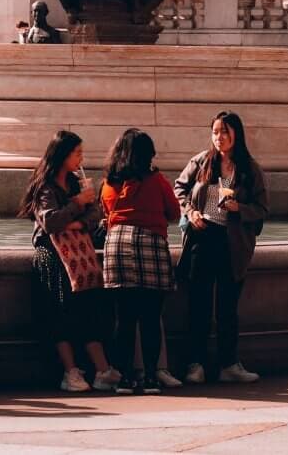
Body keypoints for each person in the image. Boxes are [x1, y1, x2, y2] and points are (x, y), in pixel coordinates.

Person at [17, 129, 120, 393]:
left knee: (89, 309)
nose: (81, 158)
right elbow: (50, 222)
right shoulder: (45, 187)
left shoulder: (75, 182)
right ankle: (70, 371)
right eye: (77, 153)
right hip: (52, 257)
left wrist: (77, 221)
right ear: (62, 155)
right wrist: (76, 204)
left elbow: (96, 213)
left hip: (77, 256)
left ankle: (101, 370)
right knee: (60, 313)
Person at [174, 110, 268, 385]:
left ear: (236, 134)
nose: (219, 137)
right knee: (198, 305)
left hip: (232, 242)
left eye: (224, 132)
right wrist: (191, 212)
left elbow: (263, 208)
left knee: (228, 307)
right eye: (215, 132)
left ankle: (229, 364)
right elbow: (179, 188)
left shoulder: (250, 169)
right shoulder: (201, 161)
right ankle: (196, 364)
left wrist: (240, 208)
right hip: (202, 239)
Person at [100, 128, 180, 394]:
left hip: (118, 246)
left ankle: (123, 378)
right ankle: (150, 378)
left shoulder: (109, 184)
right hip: (150, 244)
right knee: (150, 317)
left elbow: (106, 210)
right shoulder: (157, 181)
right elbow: (173, 211)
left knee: (123, 319)